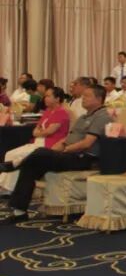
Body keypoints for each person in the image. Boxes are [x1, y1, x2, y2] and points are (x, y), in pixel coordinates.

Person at [3, 83, 110, 223]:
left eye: (87, 96)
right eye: (83, 96)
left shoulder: (102, 116)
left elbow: (87, 143)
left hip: (84, 157)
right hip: (70, 153)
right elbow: (66, 139)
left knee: (38, 154)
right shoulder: (83, 117)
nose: (83, 98)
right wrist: (52, 151)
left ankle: (14, 164)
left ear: (99, 99)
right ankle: (19, 212)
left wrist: (66, 150)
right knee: (32, 163)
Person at [0, 86, 70, 195]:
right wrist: (40, 132)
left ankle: (9, 189)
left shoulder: (61, 112)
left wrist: (40, 132)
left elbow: (49, 131)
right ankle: (4, 186)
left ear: (57, 98)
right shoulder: (48, 111)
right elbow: (35, 130)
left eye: (48, 96)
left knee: (19, 156)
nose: (45, 98)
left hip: (49, 144)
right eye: (45, 96)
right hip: (38, 141)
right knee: (10, 153)